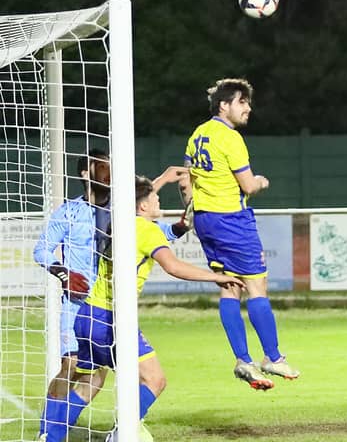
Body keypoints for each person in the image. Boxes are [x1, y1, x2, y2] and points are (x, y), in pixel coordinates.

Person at [38, 175, 244, 442]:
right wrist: (217, 277)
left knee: (92, 381)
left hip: (87, 314)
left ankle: (50, 435)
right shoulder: (147, 230)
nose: (158, 199)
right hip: (111, 319)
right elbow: (173, 266)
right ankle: (121, 435)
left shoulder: (117, 224)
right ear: (143, 205)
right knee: (155, 380)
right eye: (154, 197)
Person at [183, 78, 299, 390]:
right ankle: (272, 357)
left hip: (206, 220)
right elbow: (248, 185)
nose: (248, 108)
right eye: (242, 102)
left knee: (228, 287)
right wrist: (262, 181)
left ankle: (243, 359)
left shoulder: (198, 135)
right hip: (232, 220)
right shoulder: (229, 137)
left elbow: (186, 181)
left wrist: (192, 208)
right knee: (256, 285)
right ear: (224, 105)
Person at [34, 149, 110, 440]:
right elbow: (41, 249)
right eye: (101, 166)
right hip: (76, 305)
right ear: (85, 174)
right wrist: (63, 273)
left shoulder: (118, 210)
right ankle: (47, 433)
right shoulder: (68, 212)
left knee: (98, 375)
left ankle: (58, 427)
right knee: (71, 365)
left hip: (105, 307)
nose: (108, 171)